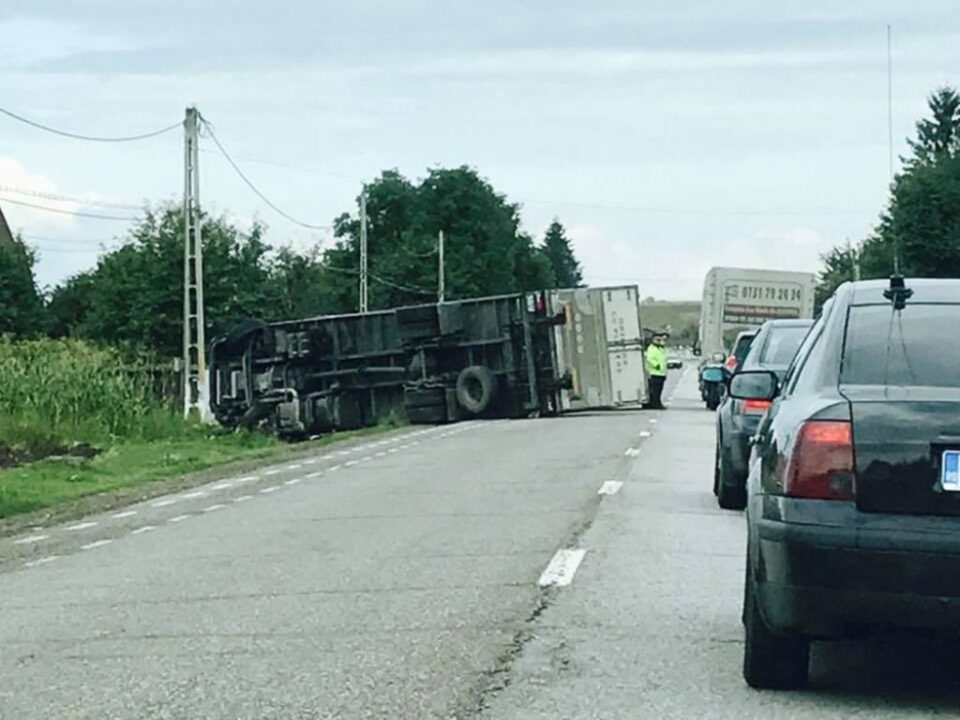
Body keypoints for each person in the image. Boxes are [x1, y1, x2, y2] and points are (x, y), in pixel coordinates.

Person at [644, 333, 668, 410]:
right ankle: (655, 403)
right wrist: (657, 366)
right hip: (654, 373)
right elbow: (650, 359)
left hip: (661, 373)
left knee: (659, 390)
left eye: (660, 340)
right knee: (655, 390)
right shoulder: (652, 348)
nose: (659, 341)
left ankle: (657, 402)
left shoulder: (661, 349)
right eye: (657, 340)